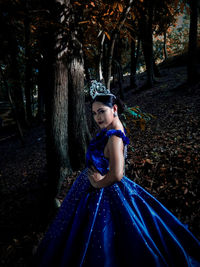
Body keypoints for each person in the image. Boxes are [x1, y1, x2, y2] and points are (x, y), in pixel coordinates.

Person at [34, 81, 200, 267]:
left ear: (114, 109)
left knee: (106, 234)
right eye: (94, 113)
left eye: (101, 111)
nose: (97, 117)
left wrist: (97, 184)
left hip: (103, 189)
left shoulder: (115, 137)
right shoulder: (110, 131)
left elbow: (118, 174)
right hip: (93, 187)